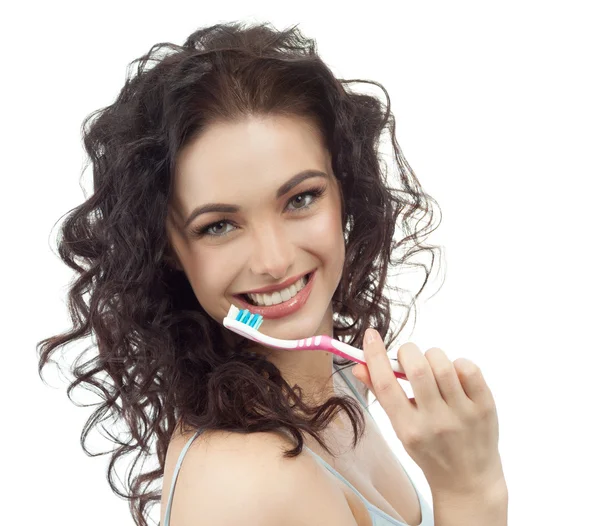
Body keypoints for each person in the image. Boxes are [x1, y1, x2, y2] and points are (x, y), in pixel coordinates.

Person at [37, 21, 507, 526]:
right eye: (219, 225)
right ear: (168, 248)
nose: (274, 260)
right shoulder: (245, 483)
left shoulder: (342, 387)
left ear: (345, 189)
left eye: (301, 199)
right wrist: (470, 490)